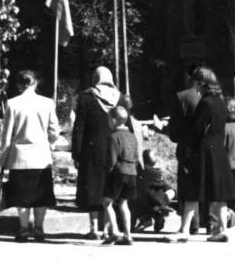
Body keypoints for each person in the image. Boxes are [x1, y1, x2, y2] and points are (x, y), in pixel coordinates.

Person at [175, 67, 235, 242]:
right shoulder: (221, 102)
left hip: (203, 150)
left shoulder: (205, 103)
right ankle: (222, 229)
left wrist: (187, 149)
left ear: (201, 83)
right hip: (218, 150)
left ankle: (184, 230)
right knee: (219, 193)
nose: (193, 85)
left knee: (193, 190)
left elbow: (197, 129)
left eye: (195, 82)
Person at [0, 70, 59, 242]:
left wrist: (3, 158)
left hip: (19, 157)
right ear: (35, 83)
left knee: (22, 196)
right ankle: (39, 228)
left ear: (19, 85)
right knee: (41, 195)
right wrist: (49, 142)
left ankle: (24, 229)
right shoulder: (47, 103)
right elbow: (54, 131)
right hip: (41, 156)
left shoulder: (12, 104)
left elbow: (7, 135)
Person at [72, 66, 118, 239]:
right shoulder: (120, 98)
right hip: (114, 149)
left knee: (93, 188)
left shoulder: (86, 98)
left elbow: (79, 129)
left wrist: (76, 153)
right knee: (109, 189)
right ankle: (106, 229)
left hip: (91, 151)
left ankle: (94, 229)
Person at [165, 65, 204, 238]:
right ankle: (210, 222)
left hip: (187, 148)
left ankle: (192, 224)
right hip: (208, 147)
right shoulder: (213, 97)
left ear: (189, 77)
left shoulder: (183, 97)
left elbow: (174, 129)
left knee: (188, 186)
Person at [101, 106, 139, 245]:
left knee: (106, 202)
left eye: (108, 119)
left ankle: (115, 232)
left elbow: (112, 159)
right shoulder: (133, 137)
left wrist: (106, 172)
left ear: (113, 120)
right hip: (131, 173)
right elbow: (136, 157)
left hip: (118, 172)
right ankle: (128, 235)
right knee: (124, 203)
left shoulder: (113, 137)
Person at [131, 150, 173, 232]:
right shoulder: (155, 172)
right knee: (168, 192)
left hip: (138, 201)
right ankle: (156, 216)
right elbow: (163, 185)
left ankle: (146, 219)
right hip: (154, 201)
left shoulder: (138, 171)